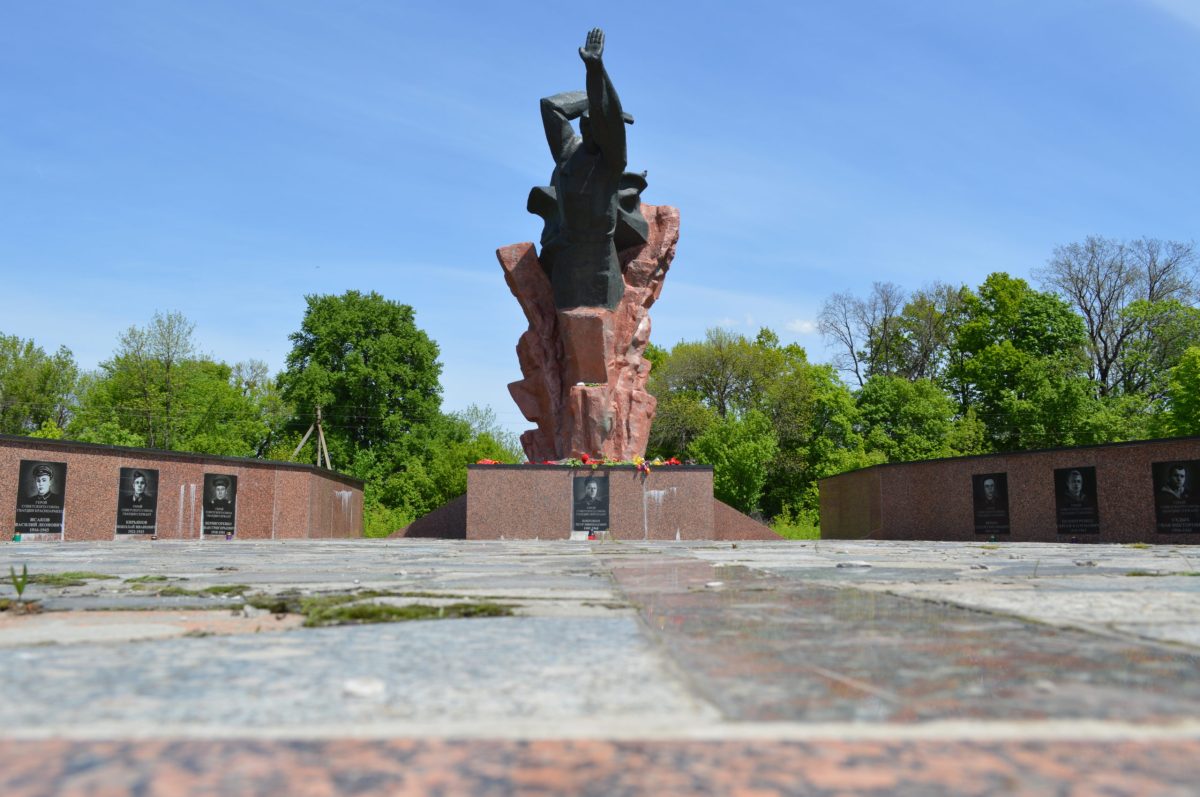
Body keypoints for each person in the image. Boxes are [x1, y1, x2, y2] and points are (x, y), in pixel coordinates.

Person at [528, 28, 649, 311]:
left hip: (601, 263)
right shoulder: (568, 153)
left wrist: (596, 72)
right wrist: (593, 98)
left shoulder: (611, 162)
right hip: (569, 259)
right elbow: (551, 107)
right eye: (589, 121)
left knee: (599, 335)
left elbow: (610, 125)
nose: (595, 127)